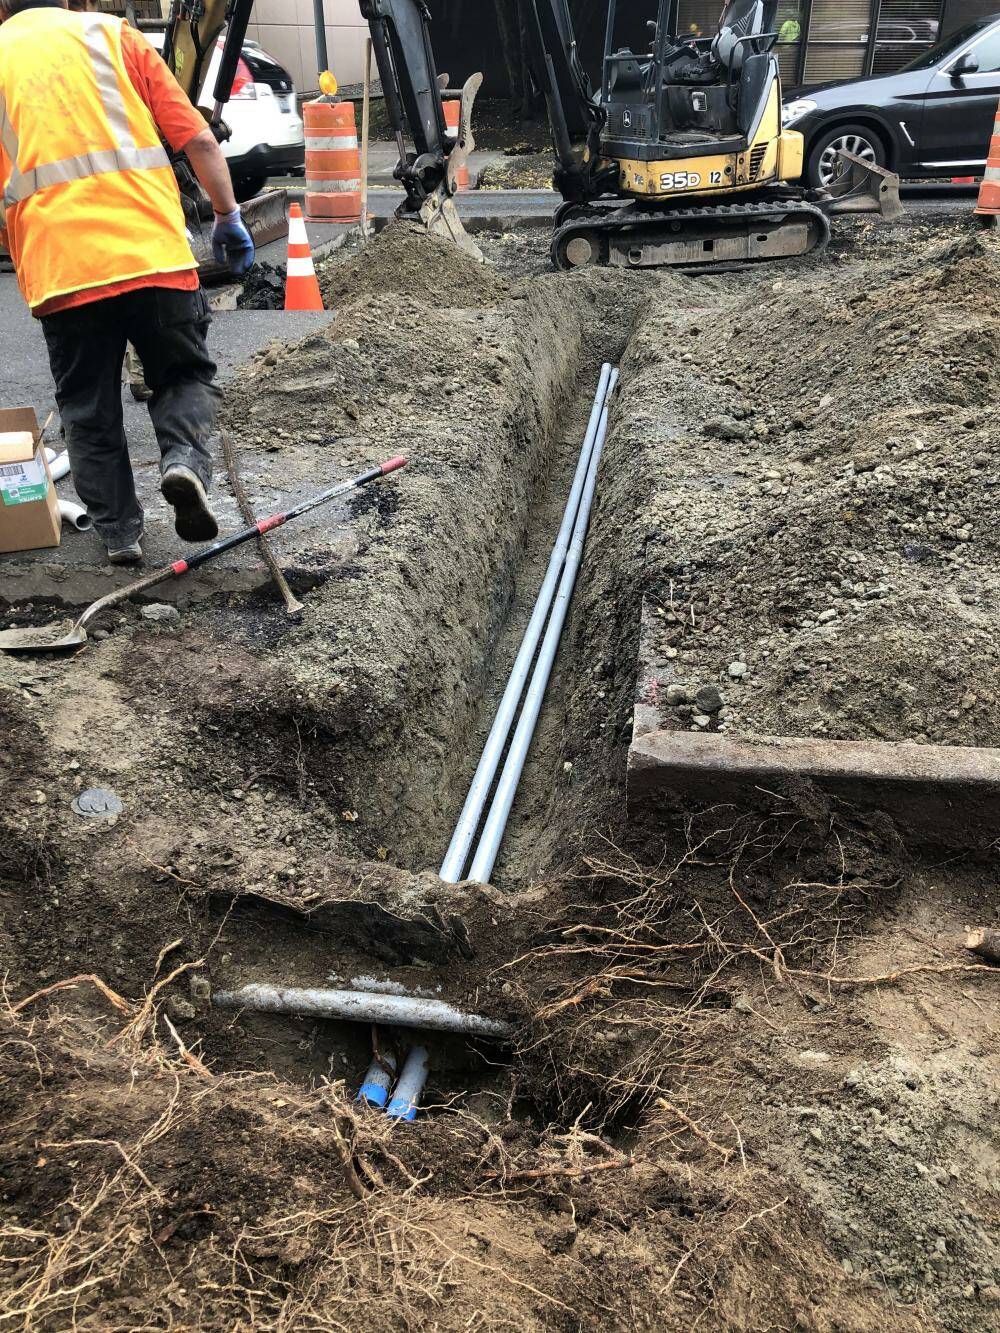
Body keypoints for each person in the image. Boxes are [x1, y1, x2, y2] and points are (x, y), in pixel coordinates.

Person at [0, 0, 255, 562]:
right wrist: (228, 214)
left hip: (62, 271)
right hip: (153, 253)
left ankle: (120, 534)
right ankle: (183, 464)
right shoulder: (114, 36)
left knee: (88, 407)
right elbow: (200, 140)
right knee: (183, 374)